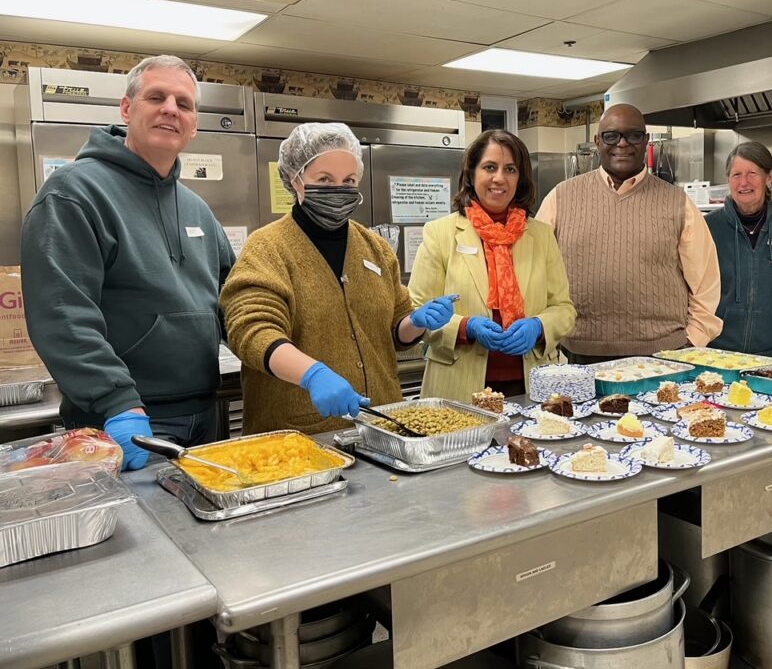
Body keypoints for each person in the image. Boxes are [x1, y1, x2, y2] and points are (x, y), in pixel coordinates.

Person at [21, 55, 235, 470]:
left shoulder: (195, 208)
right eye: (156, 96)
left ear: (192, 126)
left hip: (204, 413)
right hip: (124, 420)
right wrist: (115, 401)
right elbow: (63, 314)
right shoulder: (73, 194)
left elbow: (233, 301)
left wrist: (290, 356)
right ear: (126, 108)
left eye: (184, 104)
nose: (171, 108)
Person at [220, 122, 456, 434]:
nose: (338, 190)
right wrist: (312, 374)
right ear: (296, 180)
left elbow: (394, 328)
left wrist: (416, 323)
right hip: (298, 437)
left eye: (349, 180)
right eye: (324, 179)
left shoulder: (375, 248)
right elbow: (251, 331)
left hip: (381, 427)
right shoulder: (267, 248)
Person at [535, 103, 722, 363]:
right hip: (578, 354)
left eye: (633, 135)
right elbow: (535, 273)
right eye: (612, 136)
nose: (622, 144)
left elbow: (706, 282)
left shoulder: (678, 203)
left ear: (645, 141)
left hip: (663, 358)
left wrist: (692, 340)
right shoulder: (560, 197)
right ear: (597, 141)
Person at [408, 129, 575, 401]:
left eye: (510, 169)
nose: (499, 178)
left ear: (520, 179)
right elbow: (416, 313)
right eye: (489, 167)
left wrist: (539, 326)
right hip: (459, 387)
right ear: (471, 175)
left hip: (532, 388)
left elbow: (564, 309)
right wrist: (465, 327)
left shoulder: (541, 235)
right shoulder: (440, 233)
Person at [706, 142, 772, 360]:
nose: (744, 182)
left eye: (752, 174)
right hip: (718, 352)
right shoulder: (708, 227)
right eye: (736, 174)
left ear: (769, 178)